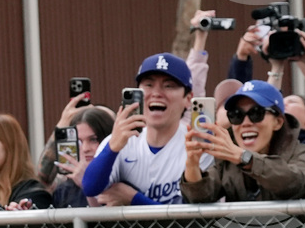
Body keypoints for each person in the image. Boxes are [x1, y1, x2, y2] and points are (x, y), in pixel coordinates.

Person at [82, 53, 212, 205]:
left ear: (188, 99)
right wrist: (112, 149)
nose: (156, 94)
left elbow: (189, 223)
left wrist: (133, 199)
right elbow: (91, 188)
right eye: (149, 85)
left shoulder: (198, 145)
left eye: (168, 86)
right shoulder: (119, 142)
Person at [181, 81, 305, 202]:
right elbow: (200, 196)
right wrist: (192, 164)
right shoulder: (227, 161)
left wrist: (244, 158)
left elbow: (293, 182)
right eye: (236, 115)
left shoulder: (304, 154)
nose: (245, 123)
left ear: (278, 122)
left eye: (256, 113)